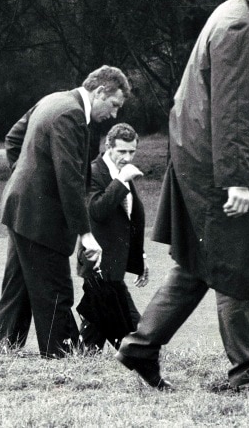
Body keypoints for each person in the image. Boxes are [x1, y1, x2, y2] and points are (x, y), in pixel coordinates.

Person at [115, 0, 249, 391]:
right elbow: (232, 111)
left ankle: (140, 348)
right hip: (215, 169)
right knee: (234, 261)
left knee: (200, 267)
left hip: (203, 161)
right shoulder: (240, 26)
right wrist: (235, 178)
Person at [0, 65, 132, 358]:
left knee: (17, 290)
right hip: (39, 218)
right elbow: (69, 180)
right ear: (100, 91)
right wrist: (85, 232)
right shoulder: (72, 115)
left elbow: (13, 139)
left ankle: (1, 352)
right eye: (114, 104)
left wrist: (27, 181)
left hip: (21, 209)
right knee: (55, 291)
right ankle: (63, 358)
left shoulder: (53, 99)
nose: (114, 114)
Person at [77, 123, 149, 351]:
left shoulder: (121, 171)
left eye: (132, 152)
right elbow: (96, 211)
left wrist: (140, 257)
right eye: (122, 151)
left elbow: (130, 219)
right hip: (97, 264)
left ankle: (75, 367)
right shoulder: (94, 172)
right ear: (108, 146)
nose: (127, 157)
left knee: (94, 331)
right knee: (132, 329)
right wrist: (121, 181)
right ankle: (142, 361)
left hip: (113, 267)